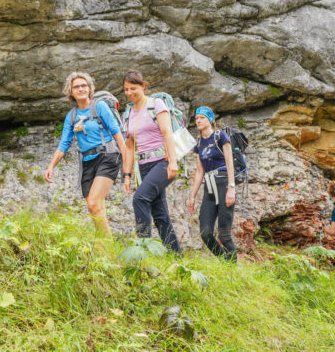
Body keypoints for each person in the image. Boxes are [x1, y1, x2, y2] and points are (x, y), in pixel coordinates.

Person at [43, 71, 131, 236]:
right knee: (96, 208)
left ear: (90, 89)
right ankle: (106, 250)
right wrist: (51, 167)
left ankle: (106, 248)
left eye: (84, 85)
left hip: (108, 157)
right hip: (87, 162)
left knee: (93, 202)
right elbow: (64, 144)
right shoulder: (72, 116)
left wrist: (126, 163)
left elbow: (116, 133)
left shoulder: (99, 106)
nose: (81, 89)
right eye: (76, 87)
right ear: (71, 92)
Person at [123, 70, 181, 253]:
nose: (130, 93)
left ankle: (142, 251)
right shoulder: (129, 112)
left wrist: (173, 162)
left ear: (143, 86)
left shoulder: (156, 104)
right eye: (126, 89)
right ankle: (175, 255)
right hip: (143, 166)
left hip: (162, 162)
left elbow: (167, 132)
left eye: (133, 88)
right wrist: (127, 175)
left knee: (140, 198)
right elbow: (130, 146)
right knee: (160, 214)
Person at [187, 106, 237, 261]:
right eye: (196, 118)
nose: (198, 120)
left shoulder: (220, 136)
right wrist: (192, 196)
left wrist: (231, 188)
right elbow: (200, 171)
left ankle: (232, 269)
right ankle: (224, 261)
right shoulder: (199, 143)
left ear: (210, 119)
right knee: (205, 233)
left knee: (224, 234)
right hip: (209, 187)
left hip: (223, 183)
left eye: (202, 117)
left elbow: (229, 162)